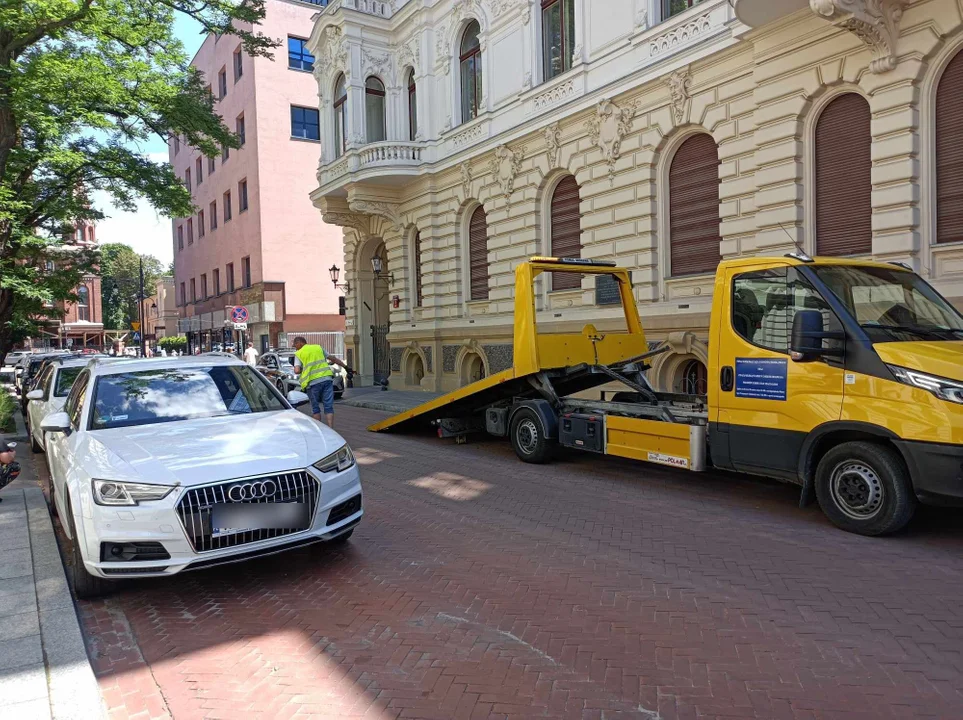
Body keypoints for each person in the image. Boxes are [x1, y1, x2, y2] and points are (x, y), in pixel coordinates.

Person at [292, 336, 352, 428]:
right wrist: (346, 367)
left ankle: (319, 430)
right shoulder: (318, 347)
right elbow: (333, 359)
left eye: (295, 345)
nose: (295, 347)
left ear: (299, 343)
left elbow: (296, 370)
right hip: (326, 379)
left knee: (315, 409)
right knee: (328, 406)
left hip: (312, 383)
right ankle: (331, 428)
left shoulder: (299, 353)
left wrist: (303, 369)